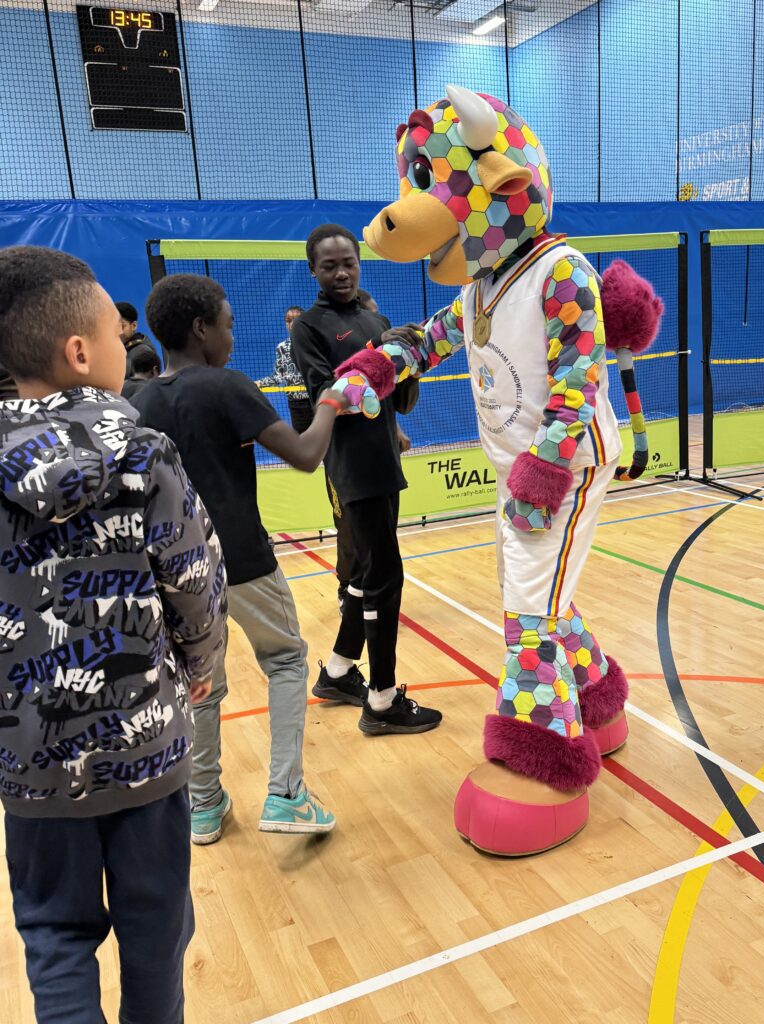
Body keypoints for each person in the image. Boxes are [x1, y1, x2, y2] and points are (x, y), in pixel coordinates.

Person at [0, 246, 227, 1023]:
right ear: (81, 351)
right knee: (156, 929)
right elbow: (193, 579)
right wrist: (201, 666)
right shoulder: (143, 451)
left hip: (27, 759)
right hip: (146, 750)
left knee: (54, 935)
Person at [131, 273, 345, 844]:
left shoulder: (138, 401)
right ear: (201, 329)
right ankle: (286, 794)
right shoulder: (228, 385)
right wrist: (328, 403)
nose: (233, 334)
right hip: (243, 559)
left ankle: (203, 806)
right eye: (227, 325)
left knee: (200, 681)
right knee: (286, 660)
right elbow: (304, 454)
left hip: (174, 572)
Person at [290, 223, 441, 735]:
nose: (340, 272)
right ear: (314, 269)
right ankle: (381, 700)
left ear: (360, 263)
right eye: (328, 265)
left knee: (364, 575)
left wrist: (409, 361)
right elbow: (326, 396)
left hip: (384, 464)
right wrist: (379, 353)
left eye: (348, 262)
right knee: (383, 581)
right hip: (351, 467)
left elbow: (399, 400)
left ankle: (336, 673)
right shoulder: (309, 326)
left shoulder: (376, 318)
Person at [256, 305, 313, 432]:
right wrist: (259, 383)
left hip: (315, 401)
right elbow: (277, 377)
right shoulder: (282, 347)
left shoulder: (314, 344)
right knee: (302, 444)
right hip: (296, 405)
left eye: (295, 319)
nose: (291, 324)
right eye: (288, 320)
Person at [115, 300, 162, 378]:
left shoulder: (144, 352)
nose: (118, 331)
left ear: (134, 325)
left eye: (122, 326)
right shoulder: (118, 349)